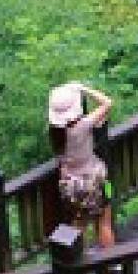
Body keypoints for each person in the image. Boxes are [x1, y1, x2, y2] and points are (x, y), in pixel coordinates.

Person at [49, 82, 115, 248]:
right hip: (96, 180)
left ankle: (81, 266)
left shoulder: (56, 133)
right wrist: (83, 88)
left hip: (71, 186)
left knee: (79, 226)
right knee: (104, 222)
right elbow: (107, 103)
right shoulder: (84, 125)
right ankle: (112, 265)